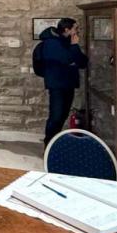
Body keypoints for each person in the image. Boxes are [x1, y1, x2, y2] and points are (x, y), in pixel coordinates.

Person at [39, 17, 88, 146]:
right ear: (67, 29)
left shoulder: (69, 43)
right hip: (57, 85)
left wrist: (73, 53)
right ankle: (49, 144)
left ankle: (55, 142)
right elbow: (66, 59)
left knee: (63, 115)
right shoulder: (51, 43)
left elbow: (83, 62)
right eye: (75, 28)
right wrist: (74, 49)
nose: (78, 31)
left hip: (68, 84)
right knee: (56, 116)